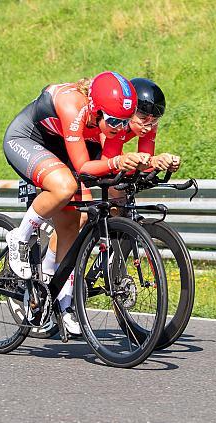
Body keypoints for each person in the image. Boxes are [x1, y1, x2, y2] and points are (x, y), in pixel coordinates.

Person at [3, 71, 148, 334]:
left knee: (74, 223)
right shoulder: (73, 105)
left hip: (63, 147)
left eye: (124, 122)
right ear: (96, 109)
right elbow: (83, 167)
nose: (119, 128)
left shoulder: (109, 120)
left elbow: (106, 165)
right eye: (114, 121)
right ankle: (20, 237)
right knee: (65, 186)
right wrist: (116, 162)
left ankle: (60, 298)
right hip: (28, 140)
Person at [40, 77, 181, 281]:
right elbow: (110, 162)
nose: (148, 126)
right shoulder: (117, 122)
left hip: (98, 154)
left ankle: (108, 249)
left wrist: (160, 161)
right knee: (79, 215)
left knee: (118, 200)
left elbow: (143, 161)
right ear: (129, 111)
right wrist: (141, 162)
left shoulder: (147, 124)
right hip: (77, 152)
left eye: (154, 120)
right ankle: (48, 270)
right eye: (142, 117)